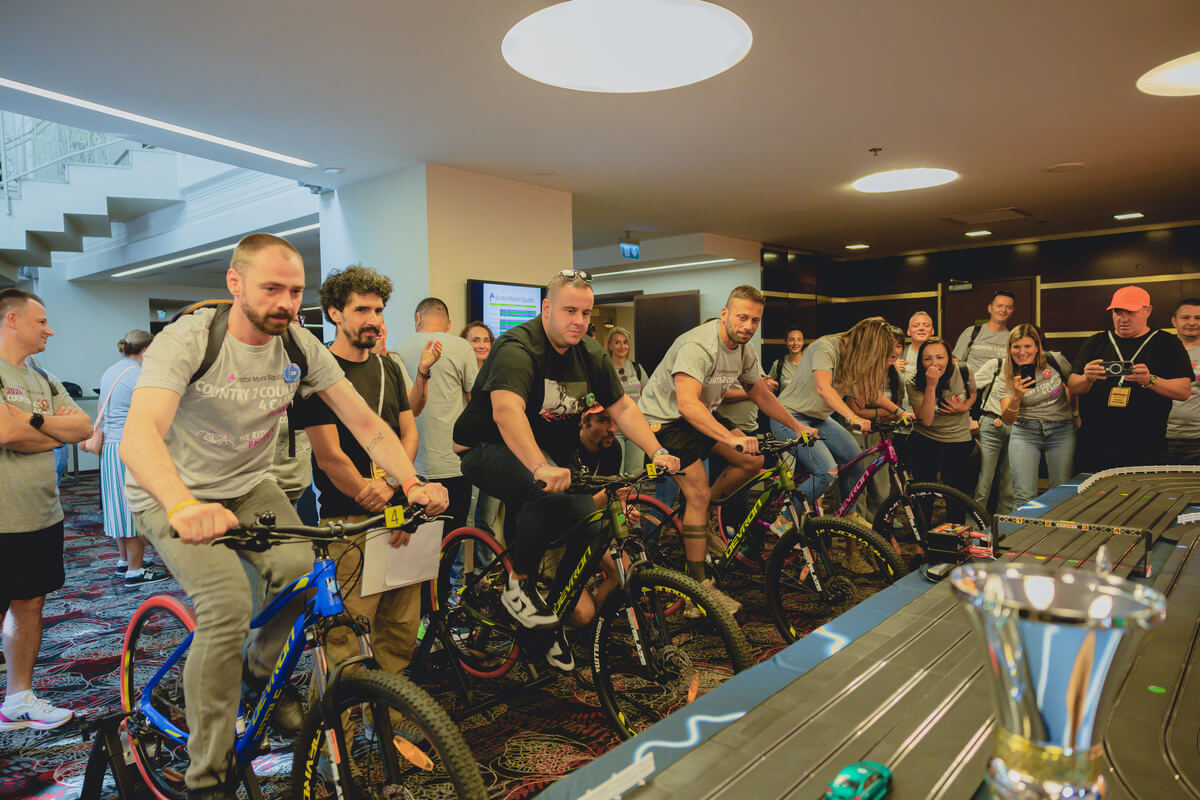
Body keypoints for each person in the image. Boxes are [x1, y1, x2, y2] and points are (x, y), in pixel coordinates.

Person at [119, 234, 447, 799]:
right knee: (227, 603)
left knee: (304, 577)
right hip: (170, 490)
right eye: (272, 288)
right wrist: (182, 505)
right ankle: (208, 776)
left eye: (295, 291)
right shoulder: (192, 339)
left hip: (250, 486)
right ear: (235, 282)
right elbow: (138, 434)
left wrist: (411, 482)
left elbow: (366, 423)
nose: (286, 303)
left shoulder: (297, 343)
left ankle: (254, 672)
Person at [453, 269, 679, 672]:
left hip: (547, 456)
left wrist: (656, 450)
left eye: (586, 313)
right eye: (569, 310)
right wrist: (540, 466)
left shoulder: (588, 352)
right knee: (544, 490)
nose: (579, 320)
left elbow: (622, 406)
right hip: (486, 448)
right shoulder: (517, 348)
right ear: (547, 308)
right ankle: (518, 585)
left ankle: (552, 616)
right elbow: (506, 412)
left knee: (589, 520)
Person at [296, 266, 439, 688]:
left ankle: (390, 713)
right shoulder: (318, 372)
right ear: (335, 313)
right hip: (348, 521)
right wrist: (367, 491)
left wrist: (393, 485)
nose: (374, 320)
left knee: (399, 630)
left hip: (399, 515)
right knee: (346, 640)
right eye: (362, 310)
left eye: (378, 310)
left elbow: (408, 434)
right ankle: (334, 726)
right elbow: (329, 456)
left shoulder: (389, 368)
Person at [638, 285, 815, 613]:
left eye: (755, 320)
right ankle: (698, 591)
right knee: (698, 492)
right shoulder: (698, 346)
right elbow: (687, 404)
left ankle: (702, 517)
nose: (748, 326)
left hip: (698, 414)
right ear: (724, 314)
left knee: (752, 461)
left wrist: (796, 426)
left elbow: (760, 393)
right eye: (742, 317)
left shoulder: (744, 350)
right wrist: (730, 437)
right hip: (664, 420)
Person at [0, 288, 91, 731]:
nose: (49, 330)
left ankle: (18, 700)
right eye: (41, 322)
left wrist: (33, 421)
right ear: (12, 320)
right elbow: (5, 434)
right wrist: (52, 434)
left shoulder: (43, 376)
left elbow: (83, 427)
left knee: (30, 604)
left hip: (41, 515)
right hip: (2, 520)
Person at [774, 316, 903, 508]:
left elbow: (869, 391)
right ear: (867, 343)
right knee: (827, 471)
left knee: (855, 461)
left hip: (818, 418)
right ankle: (784, 520)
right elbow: (823, 388)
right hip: (789, 416)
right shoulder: (825, 347)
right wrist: (853, 417)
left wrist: (899, 412)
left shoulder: (854, 358)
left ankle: (848, 515)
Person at [1067, 286, 1191, 472]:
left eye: (1131, 312)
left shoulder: (1167, 343)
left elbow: (1184, 391)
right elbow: (1073, 387)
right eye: (1117, 312)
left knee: (1142, 490)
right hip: (1095, 443)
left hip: (1145, 444)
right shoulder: (1096, 341)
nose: (1123, 319)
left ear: (1147, 311)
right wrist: (1087, 378)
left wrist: (1150, 380)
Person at [397, 297, 479, 536]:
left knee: (418, 541)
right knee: (452, 538)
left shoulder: (400, 350)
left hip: (412, 466)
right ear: (448, 323)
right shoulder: (462, 347)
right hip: (453, 462)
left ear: (418, 318)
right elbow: (475, 403)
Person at [98, 329, 168, 586]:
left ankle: (124, 561)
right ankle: (135, 571)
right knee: (134, 509)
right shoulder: (139, 375)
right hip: (131, 448)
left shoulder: (111, 371)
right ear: (147, 349)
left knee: (118, 507)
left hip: (110, 448)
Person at [997, 325, 1076, 509]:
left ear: (1037, 346)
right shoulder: (1006, 371)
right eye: (1016, 347)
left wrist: (1076, 413)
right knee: (1023, 495)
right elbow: (1008, 419)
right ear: (1009, 348)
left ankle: (1055, 527)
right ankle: (1022, 528)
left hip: (1061, 429)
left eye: (1027, 346)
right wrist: (1017, 396)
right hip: (1025, 431)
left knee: (1060, 492)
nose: (1022, 352)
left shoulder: (1054, 360)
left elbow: (1074, 386)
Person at [905, 336, 977, 518]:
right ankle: (921, 534)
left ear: (949, 358)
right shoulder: (912, 382)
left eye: (940, 357)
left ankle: (956, 532)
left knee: (956, 495)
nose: (934, 363)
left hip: (958, 439)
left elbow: (973, 393)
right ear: (921, 362)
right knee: (923, 494)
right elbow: (926, 420)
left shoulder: (964, 371)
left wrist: (965, 407)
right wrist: (931, 386)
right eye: (927, 358)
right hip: (925, 439)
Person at [460, 322, 501, 537]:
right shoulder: (460, 375)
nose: (482, 345)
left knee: (487, 520)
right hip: (470, 453)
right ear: (464, 343)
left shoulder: (498, 373)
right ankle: (458, 562)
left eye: (486, 340)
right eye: (475, 340)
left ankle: (485, 560)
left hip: (494, 453)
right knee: (467, 519)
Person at [971, 354, 1015, 514]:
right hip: (991, 424)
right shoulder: (997, 365)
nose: (1022, 352)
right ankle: (975, 524)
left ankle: (1004, 524)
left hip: (1020, 429)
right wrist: (969, 416)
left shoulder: (1037, 370)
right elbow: (969, 387)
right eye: (1016, 347)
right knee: (983, 482)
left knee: (1010, 487)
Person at [372, 317, 440, 417]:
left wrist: (423, 369)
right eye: (373, 323)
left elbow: (413, 409)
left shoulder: (394, 359)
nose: (379, 326)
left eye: (382, 322)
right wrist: (375, 359)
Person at [605, 326, 650, 474]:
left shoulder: (636, 368)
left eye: (625, 342)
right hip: (614, 428)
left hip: (636, 427)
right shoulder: (604, 368)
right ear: (610, 346)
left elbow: (647, 395)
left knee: (635, 473)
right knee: (616, 473)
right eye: (617, 342)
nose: (622, 346)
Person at [1166, 298, 1200, 465]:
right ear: (1174, 321)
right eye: (1185, 317)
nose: (1192, 322)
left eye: (1198, 318)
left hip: (1197, 439)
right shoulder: (1160, 349)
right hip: (1161, 435)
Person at [953, 291, 1014, 374]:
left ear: (1012, 311)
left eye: (1008, 307)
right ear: (990, 308)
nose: (1003, 310)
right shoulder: (971, 332)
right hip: (972, 382)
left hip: (1000, 382)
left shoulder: (1013, 338)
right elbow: (956, 362)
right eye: (999, 306)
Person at [577, 404, 622, 476]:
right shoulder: (566, 445)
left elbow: (611, 480)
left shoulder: (613, 447)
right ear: (585, 421)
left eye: (616, 421)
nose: (613, 430)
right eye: (603, 421)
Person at [896, 311, 934, 386]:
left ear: (932, 331)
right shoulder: (898, 354)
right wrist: (891, 369)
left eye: (926, 325)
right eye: (916, 326)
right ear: (908, 332)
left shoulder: (941, 355)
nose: (921, 328)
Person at [765, 325, 805, 394]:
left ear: (803, 342)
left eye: (799, 340)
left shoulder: (810, 364)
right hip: (783, 401)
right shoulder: (778, 364)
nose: (795, 343)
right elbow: (768, 387)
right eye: (791, 340)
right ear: (786, 342)